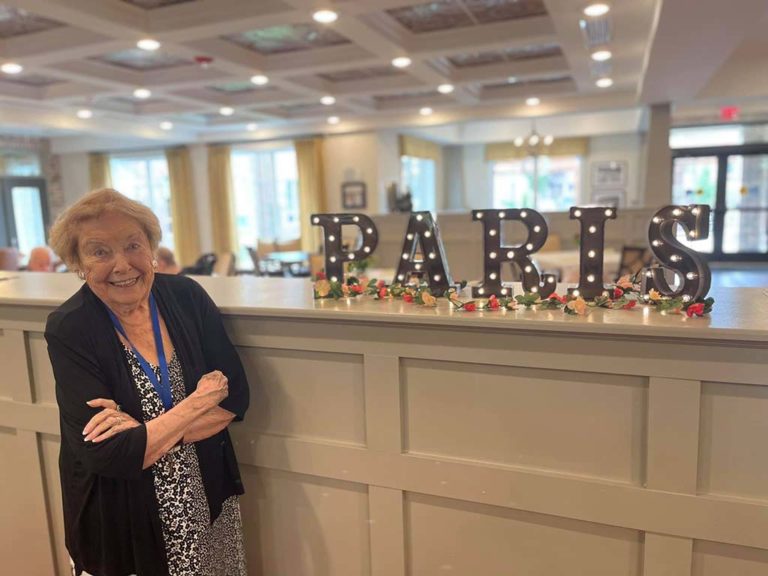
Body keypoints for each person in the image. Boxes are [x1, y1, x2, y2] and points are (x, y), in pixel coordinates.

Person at [45, 188, 250, 576]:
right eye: (99, 251)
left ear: (152, 248)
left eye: (133, 245)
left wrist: (145, 435)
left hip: (208, 500)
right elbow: (109, 454)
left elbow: (237, 397)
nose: (122, 265)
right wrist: (198, 402)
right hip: (122, 520)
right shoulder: (70, 327)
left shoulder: (187, 297)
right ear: (78, 263)